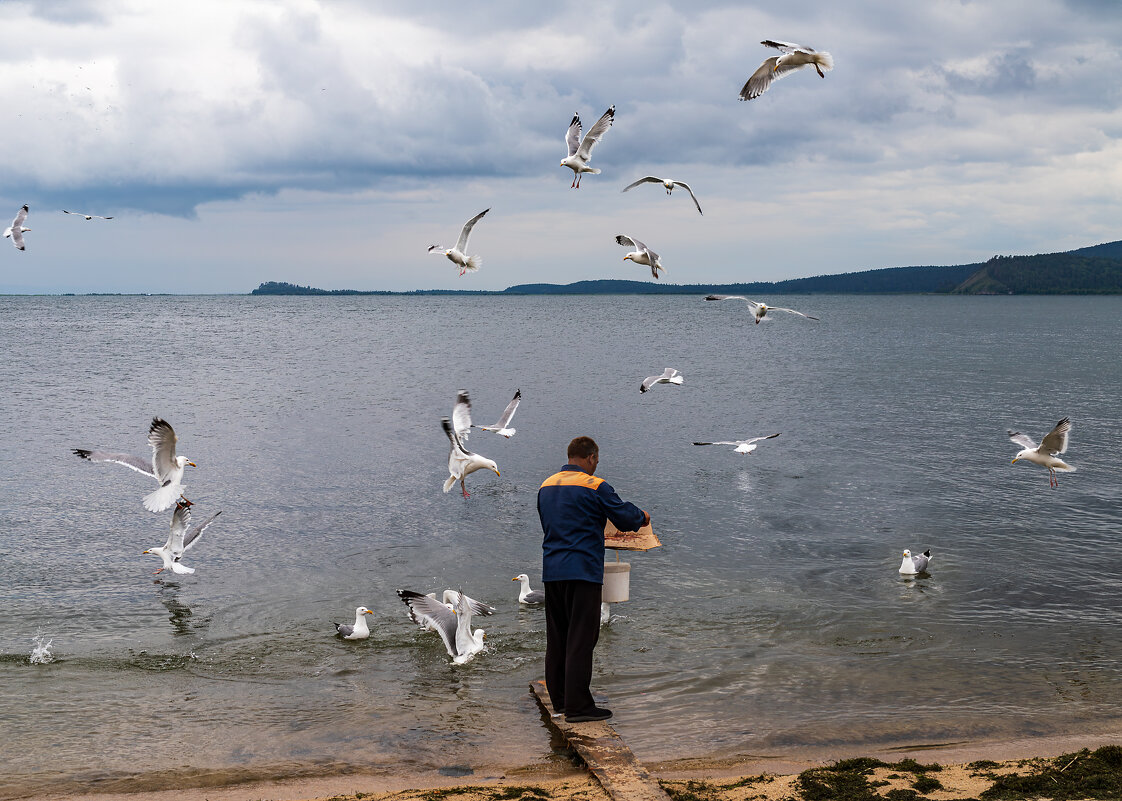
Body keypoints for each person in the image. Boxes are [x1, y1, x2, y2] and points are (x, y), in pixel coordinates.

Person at [537, 436, 649, 723]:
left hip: (552, 571)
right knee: (581, 639)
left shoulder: (546, 485)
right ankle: (579, 708)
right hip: (583, 571)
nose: (596, 466)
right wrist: (643, 517)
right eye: (596, 461)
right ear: (590, 458)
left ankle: (560, 703)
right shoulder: (595, 485)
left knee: (558, 638)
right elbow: (624, 517)